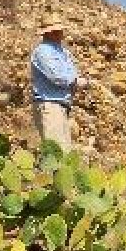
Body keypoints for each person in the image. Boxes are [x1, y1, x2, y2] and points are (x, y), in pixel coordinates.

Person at [30, 17, 83, 151]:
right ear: (49, 33)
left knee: (64, 152)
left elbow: (72, 73)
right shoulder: (43, 51)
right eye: (57, 30)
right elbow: (57, 76)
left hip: (61, 105)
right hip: (49, 104)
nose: (60, 33)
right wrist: (76, 82)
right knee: (55, 152)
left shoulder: (62, 51)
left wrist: (75, 81)